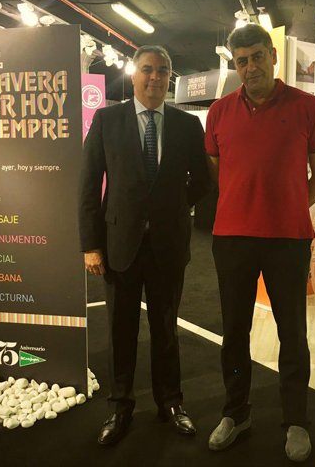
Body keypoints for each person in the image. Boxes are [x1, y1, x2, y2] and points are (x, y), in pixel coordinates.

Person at [204, 24, 315, 462]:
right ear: (235, 65)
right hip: (232, 240)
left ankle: (296, 421)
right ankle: (235, 414)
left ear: (273, 56)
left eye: (257, 56)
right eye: (241, 61)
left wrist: (291, 206)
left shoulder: (308, 107)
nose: (250, 67)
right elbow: (217, 171)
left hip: (287, 240)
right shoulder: (219, 112)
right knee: (234, 333)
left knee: (292, 333)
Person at [79, 45, 211, 446]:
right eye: (148, 70)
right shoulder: (107, 120)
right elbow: (88, 186)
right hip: (119, 244)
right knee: (120, 330)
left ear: (170, 77)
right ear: (133, 74)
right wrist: (90, 245)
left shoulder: (187, 125)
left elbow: (202, 181)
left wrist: (173, 208)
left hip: (168, 244)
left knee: (166, 329)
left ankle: (171, 402)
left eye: (163, 71)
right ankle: (120, 406)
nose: (155, 77)